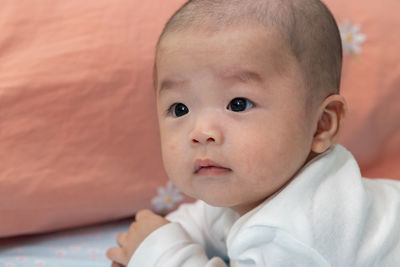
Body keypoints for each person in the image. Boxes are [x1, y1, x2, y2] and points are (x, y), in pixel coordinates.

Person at [107, 0, 400, 266]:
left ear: (321, 124)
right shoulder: (252, 185)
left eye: (238, 104)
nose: (201, 132)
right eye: (180, 109)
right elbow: (206, 219)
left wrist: (161, 254)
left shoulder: (295, 232)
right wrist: (155, 238)